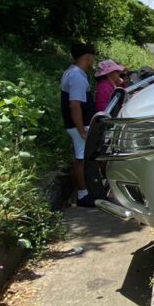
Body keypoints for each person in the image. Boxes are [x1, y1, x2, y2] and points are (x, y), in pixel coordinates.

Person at [60, 42, 96, 207]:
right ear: (87, 57)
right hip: (78, 126)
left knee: (79, 158)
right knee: (81, 159)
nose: (93, 61)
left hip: (75, 125)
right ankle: (82, 195)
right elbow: (74, 104)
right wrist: (81, 129)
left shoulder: (71, 72)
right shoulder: (77, 77)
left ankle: (83, 191)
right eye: (92, 58)